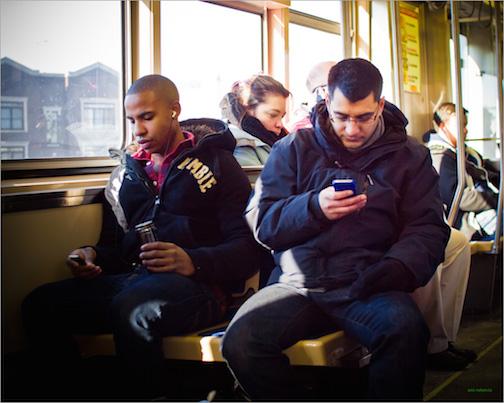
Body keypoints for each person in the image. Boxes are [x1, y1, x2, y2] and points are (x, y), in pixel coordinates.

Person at [221, 58, 451, 400]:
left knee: (406, 332)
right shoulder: (293, 149)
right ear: (326, 103)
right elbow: (263, 222)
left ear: (380, 107)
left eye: (364, 117)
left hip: (369, 282)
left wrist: (396, 268)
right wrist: (313, 207)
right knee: (240, 342)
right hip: (299, 284)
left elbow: (427, 227)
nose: (352, 129)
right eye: (342, 117)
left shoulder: (409, 157)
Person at [21, 75, 261, 399]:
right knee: (40, 304)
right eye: (132, 120)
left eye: (147, 117)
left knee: (132, 308)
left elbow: (247, 249)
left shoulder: (219, 165)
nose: (138, 130)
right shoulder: (127, 174)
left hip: (201, 288)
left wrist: (193, 261)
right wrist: (93, 255)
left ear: (174, 110)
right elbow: (117, 246)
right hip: (132, 280)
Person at [293, 61, 477, 371]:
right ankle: (425, 342)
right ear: (322, 95)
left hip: (379, 220)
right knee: (413, 249)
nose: (352, 125)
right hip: (335, 247)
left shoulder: (394, 141)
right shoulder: (305, 134)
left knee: (445, 243)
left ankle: (438, 339)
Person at [429, 102, 499, 240]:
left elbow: (487, 169)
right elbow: (459, 197)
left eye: (465, 125)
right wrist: (496, 199)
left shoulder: (466, 152)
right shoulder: (439, 157)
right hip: (466, 223)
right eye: (461, 125)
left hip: (482, 209)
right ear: (443, 126)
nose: (465, 130)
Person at [220, 74, 290, 166]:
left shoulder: (278, 140)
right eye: (273, 115)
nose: (280, 124)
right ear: (248, 110)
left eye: (282, 117)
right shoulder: (240, 147)